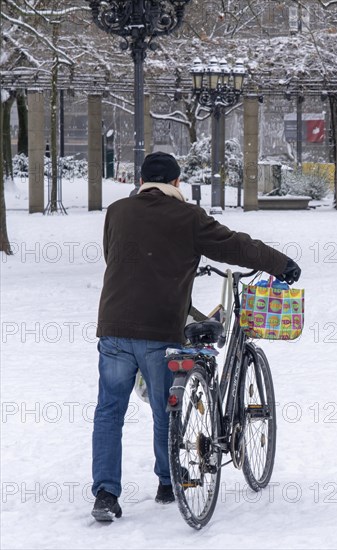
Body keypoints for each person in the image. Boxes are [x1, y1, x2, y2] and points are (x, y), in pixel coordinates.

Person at [91, 151, 301, 521]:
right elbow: (235, 245)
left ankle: (106, 494)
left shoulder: (117, 212)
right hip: (159, 328)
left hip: (114, 326)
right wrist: (280, 263)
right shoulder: (188, 217)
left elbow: (115, 256)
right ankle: (168, 483)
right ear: (175, 183)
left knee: (109, 411)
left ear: (141, 181)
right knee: (164, 410)